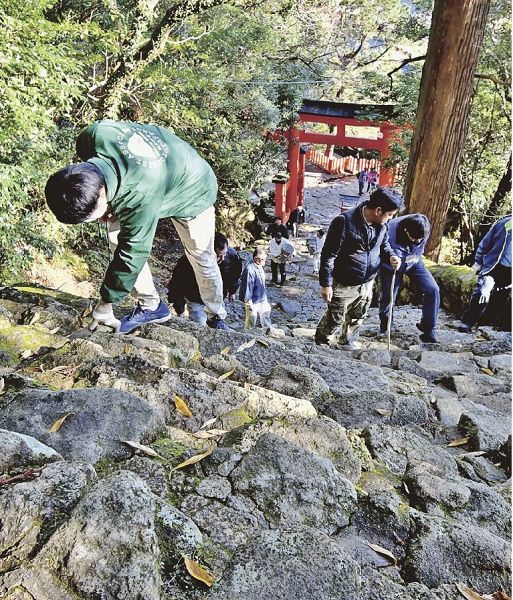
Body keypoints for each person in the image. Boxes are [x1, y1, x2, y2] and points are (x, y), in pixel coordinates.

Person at [44, 119, 228, 334]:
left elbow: (133, 253)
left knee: (202, 257)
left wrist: (105, 304)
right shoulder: (93, 136)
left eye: (90, 217)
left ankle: (216, 315)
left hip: (194, 190)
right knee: (116, 235)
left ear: (100, 194)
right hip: (158, 177)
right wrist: (110, 204)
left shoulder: (139, 197)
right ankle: (151, 305)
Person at [315, 187, 403, 348]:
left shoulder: (382, 225)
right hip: (344, 281)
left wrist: (392, 256)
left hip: (368, 281)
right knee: (335, 317)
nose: (390, 219)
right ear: (378, 210)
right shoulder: (344, 222)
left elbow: (384, 244)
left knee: (358, 315)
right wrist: (326, 284)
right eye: (389, 215)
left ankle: (347, 341)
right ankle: (322, 341)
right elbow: (328, 254)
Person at [378, 214, 440, 343]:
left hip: (413, 262)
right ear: (406, 230)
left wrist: (413, 257)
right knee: (388, 297)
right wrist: (393, 259)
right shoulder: (390, 229)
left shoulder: (423, 227)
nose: (417, 241)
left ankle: (428, 328)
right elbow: (382, 250)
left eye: (420, 239)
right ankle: (386, 327)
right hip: (391, 266)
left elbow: (419, 249)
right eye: (414, 238)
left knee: (433, 289)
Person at [167, 232, 242, 325]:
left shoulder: (232, 256)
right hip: (195, 299)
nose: (222, 258)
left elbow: (235, 275)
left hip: (216, 299)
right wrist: (180, 310)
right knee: (200, 325)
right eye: (218, 255)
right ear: (209, 252)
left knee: (217, 325)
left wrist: (232, 290)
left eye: (224, 254)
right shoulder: (188, 261)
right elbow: (176, 285)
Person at [459, 215, 512, 332]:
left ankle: (484, 326)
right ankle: (467, 322)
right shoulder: (504, 224)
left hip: (510, 271)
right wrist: (478, 262)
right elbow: (485, 243)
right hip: (493, 265)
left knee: (500, 297)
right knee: (482, 291)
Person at [239, 247, 272, 329]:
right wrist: (248, 302)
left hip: (262, 297)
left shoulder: (259, 265)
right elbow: (247, 286)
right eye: (263, 260)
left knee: (266, 314)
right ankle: (248, 334)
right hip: (252, 300)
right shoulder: (249, 270)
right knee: (251, 319)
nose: (265, 261)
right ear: (257, 259)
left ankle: (267, 331)